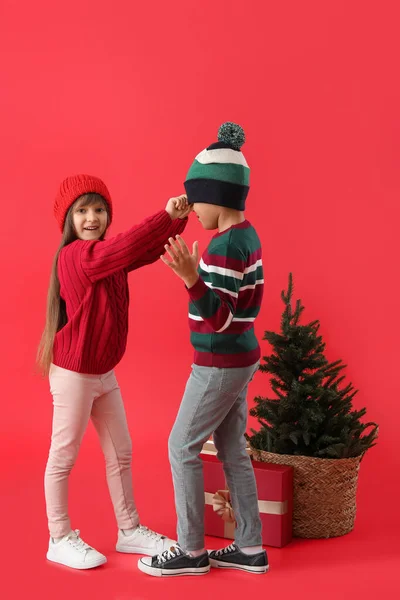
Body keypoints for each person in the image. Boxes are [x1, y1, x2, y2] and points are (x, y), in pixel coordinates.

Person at [38, 174, 190, 570]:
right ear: (68, 220)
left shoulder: (108, 254)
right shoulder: (76, 257)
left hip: (103, 372)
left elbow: (143, 249)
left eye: (100, 210)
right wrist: (165, 214)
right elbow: (129, 245)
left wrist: (177, 220)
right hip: (74, 374)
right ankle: (59, 537)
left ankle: (128, 530)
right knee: (62, 457)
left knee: (121, 453)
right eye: (83, 211)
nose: (92, 218)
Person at [138, 123, 269, 577]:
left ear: (219, 194)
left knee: (181, 446)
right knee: (233, 449)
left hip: (219, 361)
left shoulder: (223, 248)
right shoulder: (245, 235)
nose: (192, 209)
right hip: (240, 358)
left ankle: (191, 550)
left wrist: (191, 277)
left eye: (196, 199)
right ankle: (251, 546)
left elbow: (222, 317)